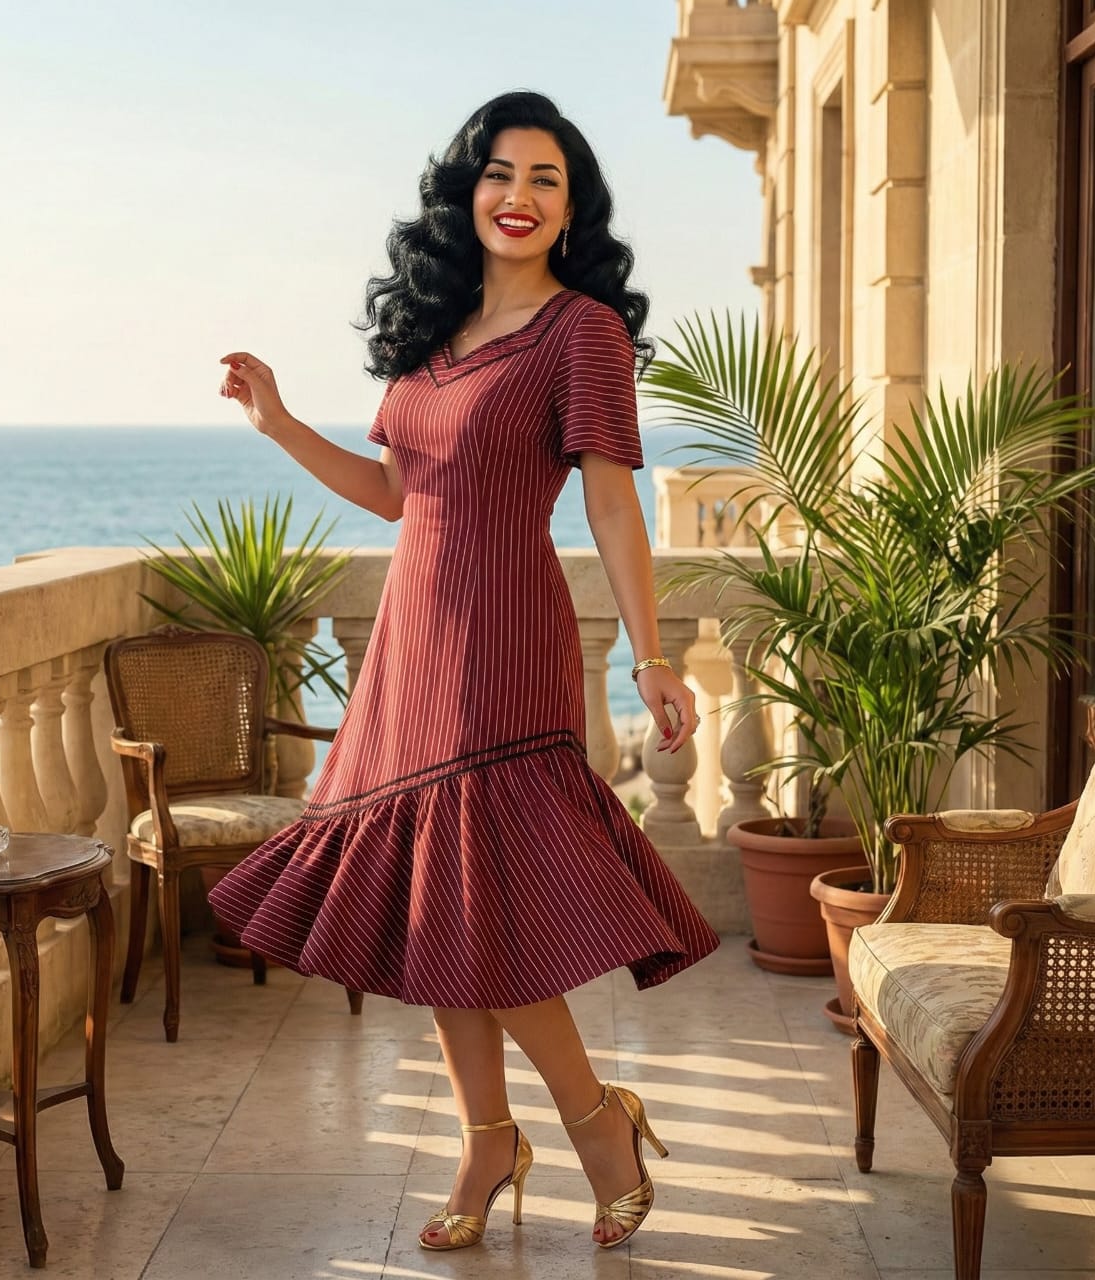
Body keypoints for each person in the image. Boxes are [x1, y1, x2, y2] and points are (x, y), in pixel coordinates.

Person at [209, 89, 719, 1253]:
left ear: (571, 205)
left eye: (545, 178)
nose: (519, 196)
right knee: (431, 897)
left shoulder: (581, 332)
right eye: (499, 173)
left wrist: (649, 652)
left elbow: (610, 502)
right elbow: (398, 494)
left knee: (482, 896)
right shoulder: (429, 335)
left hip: (503, 634)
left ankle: (595, 1123)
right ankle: (488, 1139)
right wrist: (280, 422)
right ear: (465, 190)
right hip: (410, 640)